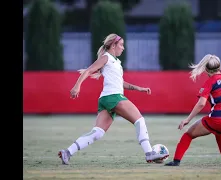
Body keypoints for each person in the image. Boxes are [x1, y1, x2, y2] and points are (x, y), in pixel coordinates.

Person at [58, 33, 169, 165]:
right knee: (139, 120)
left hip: (106, 99)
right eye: (121, 45)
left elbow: (121, 83)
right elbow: (88, 71)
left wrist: (139, 88)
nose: (123, 48)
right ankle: (149, 153)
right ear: (113, 45)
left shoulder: (116, 62)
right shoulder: (106, 57)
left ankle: (67, 152)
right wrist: (77, 86)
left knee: (97, 132)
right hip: (113, 97)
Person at [164, 54, 221, 166]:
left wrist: (187, 119)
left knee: (188, 134)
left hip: (219, 120)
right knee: (219, 131)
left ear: (206, 69)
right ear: (220, 67)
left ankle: (176, 161)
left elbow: (201, 104)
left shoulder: (211, 81)